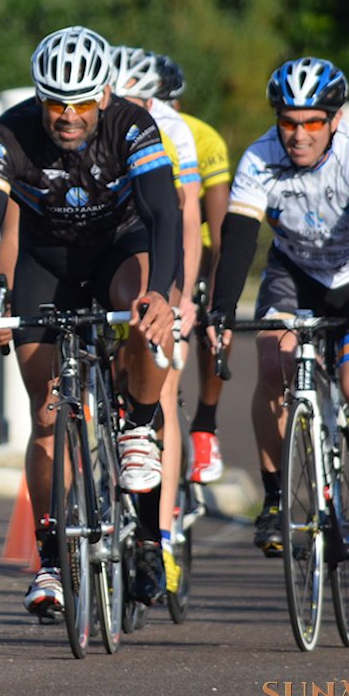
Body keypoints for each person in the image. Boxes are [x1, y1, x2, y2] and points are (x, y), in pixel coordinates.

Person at [0, 26, 181, 618]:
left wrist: (160, 294)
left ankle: (140, 443)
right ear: (39, 97)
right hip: (46, 264)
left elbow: (164, 212)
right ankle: (50, 560)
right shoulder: (8, 135)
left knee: (144, 315)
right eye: (55, 103)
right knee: (47, 415)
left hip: (120, 249)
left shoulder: (132, 125)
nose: (68, 116)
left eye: (80, 103)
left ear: (103, 96)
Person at [206, 58, 349, 562]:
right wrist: (221, 310)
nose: (299, 135)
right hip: (294, 273)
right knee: (272, 361)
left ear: (334, 120)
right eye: (288, 122)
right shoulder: (259, 157)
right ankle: (275, 499)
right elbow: (239, 239)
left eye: (312, 122)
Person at [109, 45, 201, 594]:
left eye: (139, 99)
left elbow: (183, 218)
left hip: (156, 252)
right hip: (108, 248)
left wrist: (179, 293)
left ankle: (159, 534)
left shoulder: (171, 129)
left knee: (161, 385)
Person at [153, 55, 235, 486]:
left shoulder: (202, 138)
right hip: (152, 240)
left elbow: (220, 235)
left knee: (212, 319)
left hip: (197, 242)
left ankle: (205, 424)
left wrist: (217, 303)